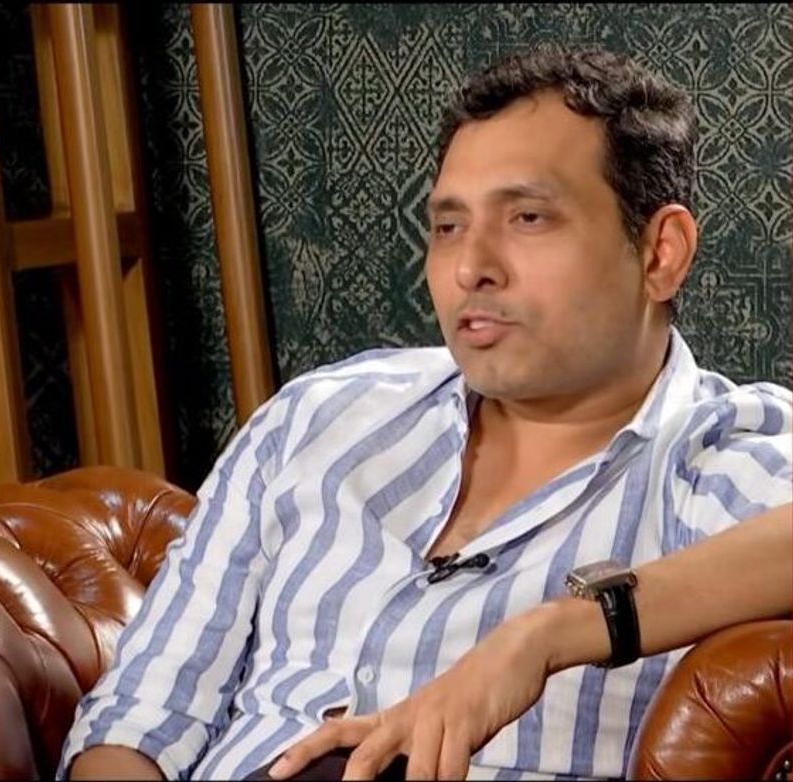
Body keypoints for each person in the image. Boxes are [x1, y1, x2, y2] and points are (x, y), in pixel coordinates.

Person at [62, 45, 791, 781]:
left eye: (528, 217)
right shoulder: (318, 418)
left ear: (661, 253)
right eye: (448, 226)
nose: (472, 267)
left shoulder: (714, 458)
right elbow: (138, 718)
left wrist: (549, 634)